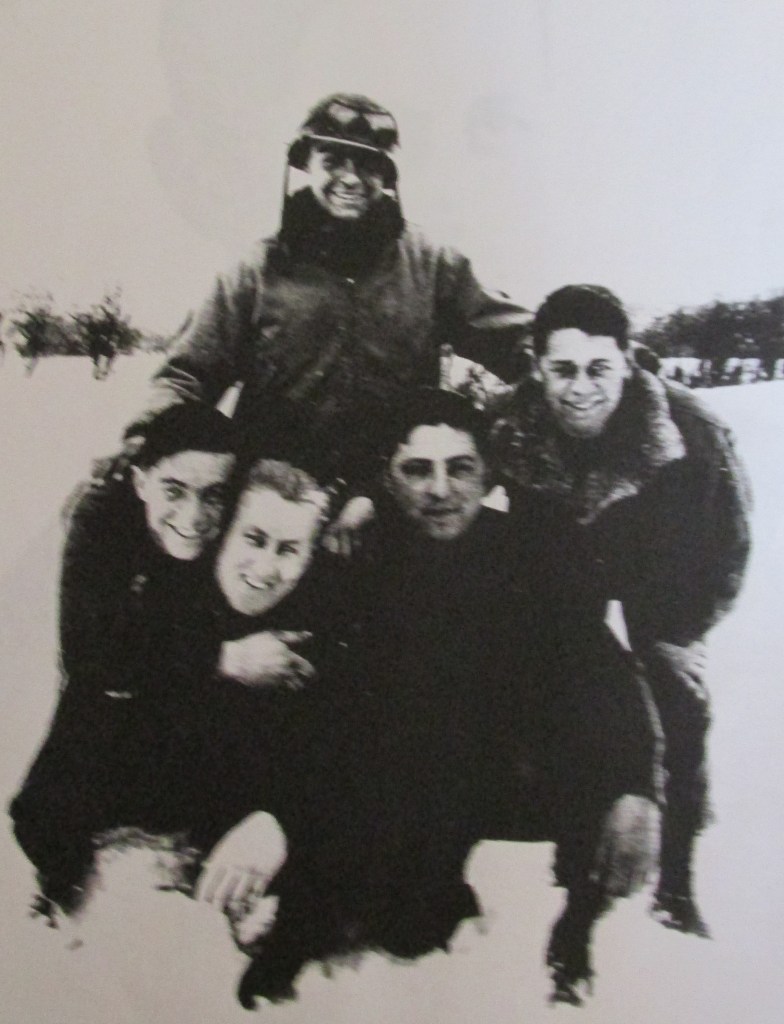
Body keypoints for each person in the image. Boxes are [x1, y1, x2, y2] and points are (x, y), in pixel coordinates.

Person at [235, 388, 663, 1009]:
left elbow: (605, 672)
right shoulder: (362, 555)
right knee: (407, 928)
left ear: (487, 474)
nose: (439, 489)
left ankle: (575, 932)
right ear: (388, 478)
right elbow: (308, 706)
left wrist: (636, 788)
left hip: (505, 767)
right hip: (397, 776)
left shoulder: (528, 552)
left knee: (592, 758)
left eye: (459, 468)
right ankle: (311, 916)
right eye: (417, 470)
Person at [490, 284, 752, 937]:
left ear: (628, 360)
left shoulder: (691, 432)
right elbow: (440, 452)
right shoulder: (506, 422)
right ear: (535, 363)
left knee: (674, 700)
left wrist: (680, 632)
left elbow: (727, 544)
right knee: (565, 690)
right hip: (563, 569)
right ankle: (579, 843)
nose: (579, 388)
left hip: (660, 574)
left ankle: (676, 880)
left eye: (598, 368)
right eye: (562, 369)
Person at [122, 93, 531, 486]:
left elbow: (519, 343)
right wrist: (146, 437)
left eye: (369, 165)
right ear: (307, 165)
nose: (350, 178)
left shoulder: (433, 266)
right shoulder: (256, 271)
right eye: (333, 161)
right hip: (278, 502)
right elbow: (185, 375)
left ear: (387, 175)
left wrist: (571, 357)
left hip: (394, 497)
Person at [9, 404, 237, 920]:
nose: (195, 516)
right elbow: (86, 652)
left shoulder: (239, 522)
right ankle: (63, 880)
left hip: (195, 718)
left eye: (214, 494)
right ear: (140, 482)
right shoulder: (102, 517)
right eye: (175, 490)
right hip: (116, 700)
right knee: (48, 815)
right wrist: (219, 657)